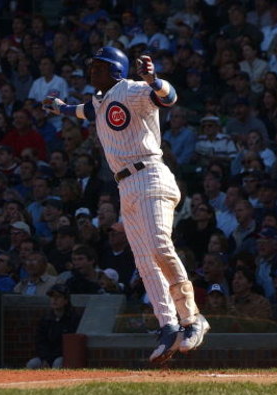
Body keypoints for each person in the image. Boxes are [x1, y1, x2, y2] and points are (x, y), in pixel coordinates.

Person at [44, 46, 209, 364]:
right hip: (126, 185)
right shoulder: (99, 99)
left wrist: (154, 79)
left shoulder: (131, 89)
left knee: (160, 248)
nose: (92, 70)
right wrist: (60, 107)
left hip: (149, 175)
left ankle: (192, 319)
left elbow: (169, 99)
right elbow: (86, 111)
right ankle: (168, 327)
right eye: (92, 65)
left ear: (115, 69)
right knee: (145, 262)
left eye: (99, 66)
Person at [25, 284, 81, 369]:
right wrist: (45, 359)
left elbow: (68, 345)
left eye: (58, 297)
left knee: (58, 363)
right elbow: (40, 342)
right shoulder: (45, 319)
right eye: (52, 297)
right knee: (32, 364)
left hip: (62, 356)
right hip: (45, 357)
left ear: (66, 300)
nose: (54, 299)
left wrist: (51, 358)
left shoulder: (73, 319)